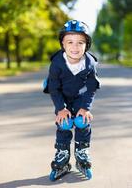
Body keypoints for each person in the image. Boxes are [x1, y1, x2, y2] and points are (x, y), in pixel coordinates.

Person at [47, 20, 100, 176]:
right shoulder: (57, 63)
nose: (75, 47)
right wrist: (60, 109)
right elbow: (53, 88)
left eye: (80, 42)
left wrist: (86, 107)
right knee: (64, 123)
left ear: (86, 45)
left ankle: (82, 151)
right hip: (62, 97)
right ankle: (62, 154)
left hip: (80, 97)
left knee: (82, 121)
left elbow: (92, 87)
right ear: (63, 44)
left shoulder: (90, 63)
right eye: (70, 42)